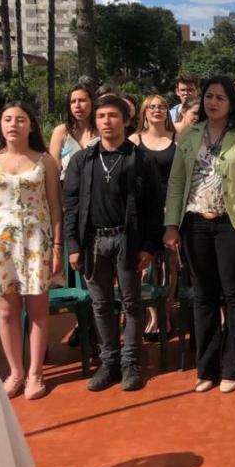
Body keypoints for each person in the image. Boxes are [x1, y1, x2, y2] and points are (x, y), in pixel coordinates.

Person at [163, 76, 235, 394]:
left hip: (231, 225)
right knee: (203, 296)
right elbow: (177, 181)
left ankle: (234, 367)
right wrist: (171, 223)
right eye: (209, 96)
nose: (213, 102)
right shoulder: (190, 135)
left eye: (220, 98)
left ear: (231, 103)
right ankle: (206, 368)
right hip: (195, 225)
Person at [63, 94, 163, 392]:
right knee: (101, 304)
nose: (107, 121)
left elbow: (153, 206)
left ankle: (131, 363)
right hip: (93, 240)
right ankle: (109, 363)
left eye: (113, 116)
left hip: (127, 240)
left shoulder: (141, 158)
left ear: (125, 120)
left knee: (132, 304)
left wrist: (147, 246)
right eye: (101, 116)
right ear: (95, 121)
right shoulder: (83, 160)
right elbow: (71, 204)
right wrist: (73, 245)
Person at [0, 102, 64, 400]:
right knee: (7, 310)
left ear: (32, 125)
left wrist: (58, 248)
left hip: (38, 242)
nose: (14, 124)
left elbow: (55, 208)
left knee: (38, 310)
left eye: (21, 119)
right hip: (2, 245)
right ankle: (16, 372)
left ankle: (36, 372)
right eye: (8, 119)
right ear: (0, 125)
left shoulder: (45, 161)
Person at [128, 94, 178, 341]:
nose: (157, 110)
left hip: (172, 208)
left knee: (170, 265)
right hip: (145, 209)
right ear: (144, 113)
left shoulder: (177, 139)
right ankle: (152, 317)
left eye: (162, 107)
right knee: (147, 266)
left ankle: (166, 315)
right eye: (152, 107)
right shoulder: (134, 140)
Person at [49, 83, 99, 181]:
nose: (77, 105)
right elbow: (54, 172)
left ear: (92, 102)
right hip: (67, 189)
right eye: (72, 101)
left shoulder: (102, 132)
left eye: (82, 100)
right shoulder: (61, 132)